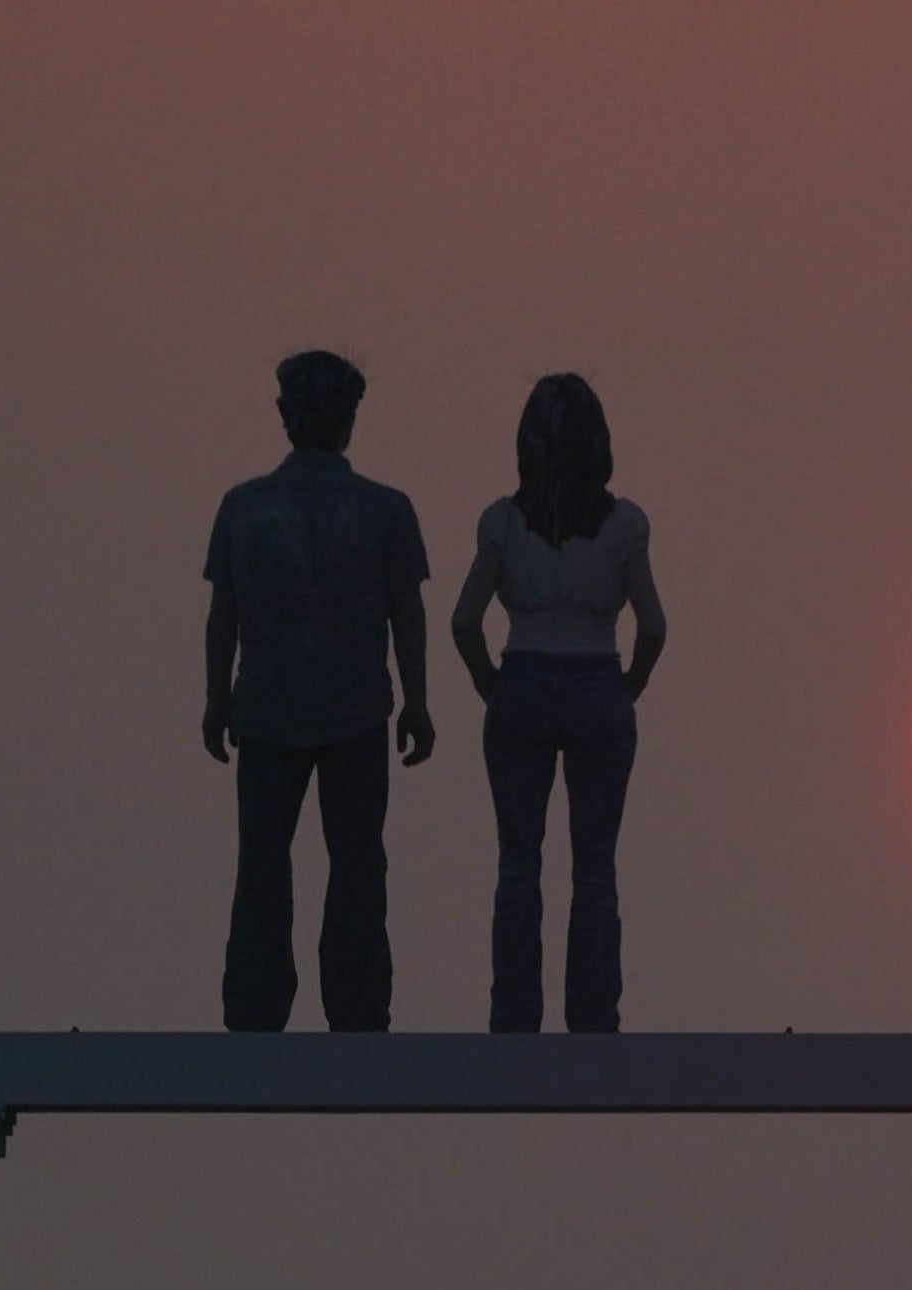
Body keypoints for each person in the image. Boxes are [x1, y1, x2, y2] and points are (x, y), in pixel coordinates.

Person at [202, 350, 436, 1032]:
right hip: (356, 709)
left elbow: (225, 614)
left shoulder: (245, 507)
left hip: (269, 708)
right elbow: (407, 615)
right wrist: (417, 701)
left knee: (263, 864)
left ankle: (254, 1007)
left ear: (284, 415)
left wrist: (218, 697)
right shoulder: (385, 509)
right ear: (350, 420)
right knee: (358, 863)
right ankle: (358, 1009)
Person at [450, 372, 666, 1033]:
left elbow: (464, 619)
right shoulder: (624, 524)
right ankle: (593, 1015)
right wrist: (630, 682)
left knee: (520, 857)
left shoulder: (503, 523)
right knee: (594, 861)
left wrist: (491, 681)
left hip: (522, 679)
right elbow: (653, 625)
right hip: (598, 679)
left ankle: (515, 1015)